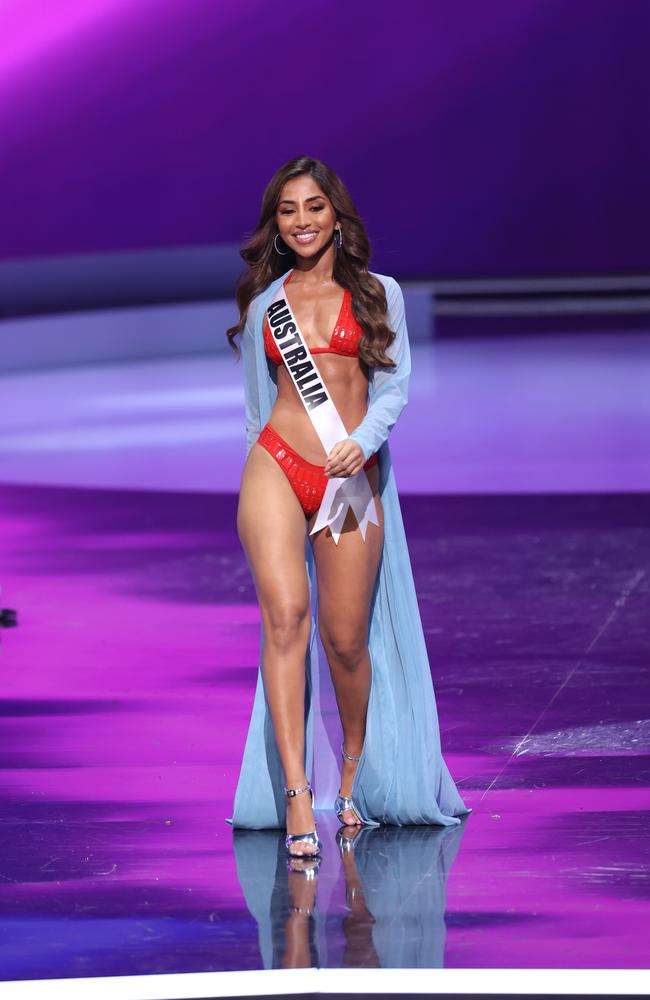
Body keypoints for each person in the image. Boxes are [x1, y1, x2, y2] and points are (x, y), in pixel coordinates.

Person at [226, 156, 471, 858]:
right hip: (276, 464)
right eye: (287, 211)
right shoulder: (266, 303)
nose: (301, 221)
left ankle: (356, 765)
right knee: (284, 620)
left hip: (349, 477)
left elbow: (392, 389)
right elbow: (254, 411)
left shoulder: (376, 293)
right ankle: (299, 793)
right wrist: (255, 473)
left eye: (313, 208)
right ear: (276, 223)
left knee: (343, 639)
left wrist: (360, 442)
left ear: (337, 215)